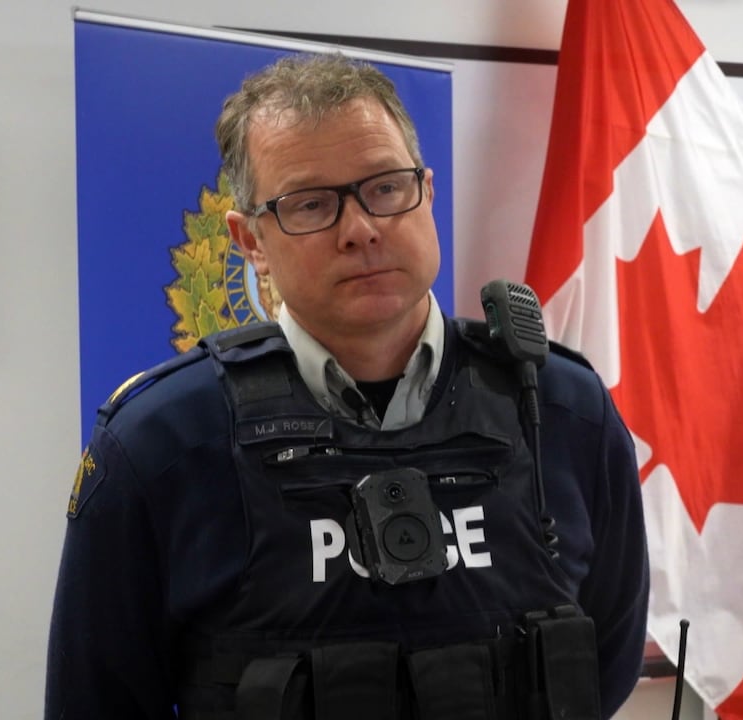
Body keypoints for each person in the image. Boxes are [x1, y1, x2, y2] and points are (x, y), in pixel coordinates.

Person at [45, 53, 649, 720]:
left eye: (385, 188)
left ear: (427, 190)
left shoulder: (565, 408)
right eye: (311, 204)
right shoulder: (162, 443)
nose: (361, 229)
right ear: (250, 241)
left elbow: (605, 664)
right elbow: (94, 701)